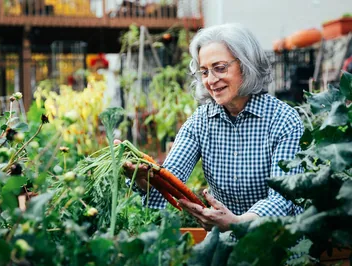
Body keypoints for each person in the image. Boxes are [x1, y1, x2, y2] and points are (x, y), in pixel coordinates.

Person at [119, 23, 304, 232]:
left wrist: (237, 223)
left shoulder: (283, 120)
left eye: (220, 68)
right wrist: (144, 178)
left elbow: (284, 198)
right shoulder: (201, 122)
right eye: (204, 71)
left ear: (246, 64)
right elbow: (169, 180)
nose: (211, 80)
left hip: (278, 243)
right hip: (224, 244)